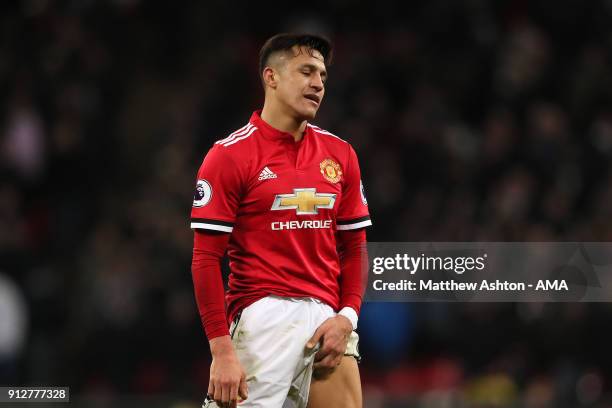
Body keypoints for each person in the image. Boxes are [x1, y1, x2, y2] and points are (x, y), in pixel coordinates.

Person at [190, 33, 371, 408]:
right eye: (306, 71)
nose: (318, 83)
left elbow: (355, 247)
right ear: (271, 77)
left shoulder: (341, 155)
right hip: (263, 317)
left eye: (322, 75)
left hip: (327, 319)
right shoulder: (229, 156)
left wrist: (347, 317)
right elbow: (206, 258)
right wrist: (221, 349)